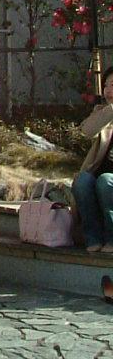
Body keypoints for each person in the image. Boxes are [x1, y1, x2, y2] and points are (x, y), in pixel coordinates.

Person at [74, 66, 113, 253]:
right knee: (82, 181)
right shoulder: (103, 112)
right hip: (99, 175)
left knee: (105, 181)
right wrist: (111, 110)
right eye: (106, 86)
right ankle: (93, 238)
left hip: (108, 180)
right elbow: (86, 131)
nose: (108, 90)